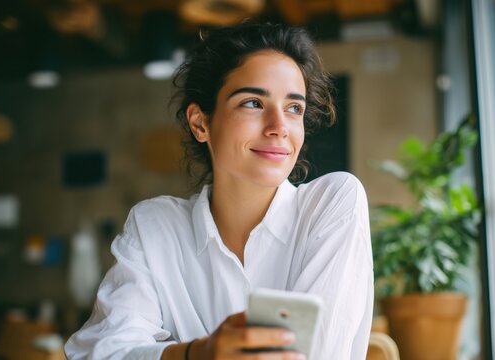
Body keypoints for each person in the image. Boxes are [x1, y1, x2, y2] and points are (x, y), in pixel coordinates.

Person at [64, 22, 374, 360]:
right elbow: (100, 351)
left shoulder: (332, 202)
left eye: (293, 108)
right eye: (254, 103)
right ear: (200, 123)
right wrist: (199, 353)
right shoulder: (155, 226)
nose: (279, 128)